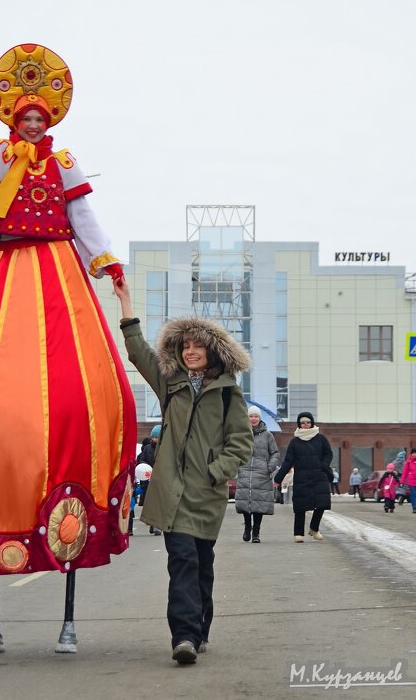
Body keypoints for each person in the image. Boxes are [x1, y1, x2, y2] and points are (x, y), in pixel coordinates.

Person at [0, 44, 137, 580]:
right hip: (13, 262)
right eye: (23, 118)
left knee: (79, 370)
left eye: (37, 119)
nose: (30, 125)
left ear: (47, 122)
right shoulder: (0, 155)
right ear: (14, 119)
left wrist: (106, 260)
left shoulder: (63, 164)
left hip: (58, 265)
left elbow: (82, 215)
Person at [114, 278, 253, 665]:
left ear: (212, 352)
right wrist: (126, 302)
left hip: (205, 495)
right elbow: (139, 352)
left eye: (198, 346)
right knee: (183, 563)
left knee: (202, 565)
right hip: (171, 492)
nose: (191, 352)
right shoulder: (170, 383)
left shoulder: (228, 393)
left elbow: (241, 443)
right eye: (185, 346)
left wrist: (216, 471)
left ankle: (200, 627)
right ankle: (185, 637)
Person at [274, 412, 333, 543]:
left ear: (312, 423)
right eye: (302, 423)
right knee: (300, 506)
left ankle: (314, 528)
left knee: (322, 503)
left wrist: (323, 465)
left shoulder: (321, 438)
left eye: (308, 422)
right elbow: (288, 461)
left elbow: (328, 454)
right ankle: (298, 533)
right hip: (302, 477)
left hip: (319, 476)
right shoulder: (295, 442)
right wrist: (278, 479)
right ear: (299, 425)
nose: (306, 425)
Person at [234, 406, 279, 543]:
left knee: (259, 503)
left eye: (256, 416)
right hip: (245, 471)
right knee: (246, 502)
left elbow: (275, 453)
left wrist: (269, 467)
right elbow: (234, 450)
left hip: (262, 473)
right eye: (251, 416)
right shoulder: (241, 433)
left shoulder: (268, 435)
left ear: (260, 418)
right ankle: (247, 528)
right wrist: (237, 464)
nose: (253, 419)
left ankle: (256, 532)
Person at [139, 425, 162, 534]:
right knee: (151, 504)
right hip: (148, 480)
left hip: (161, 480)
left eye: (156, 437)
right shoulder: (147, 448)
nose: (154, 439)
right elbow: (142, 460)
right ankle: (153, 524)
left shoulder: (164, 448)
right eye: (153, 437)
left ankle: (157, 525)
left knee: (159, 504)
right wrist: (145, 467)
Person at [400, 448, 416, 513]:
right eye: (413, 453)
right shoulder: (409, 462)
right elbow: (405, 472)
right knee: (413, 494)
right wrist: (402, 481)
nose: (415, 454)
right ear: (411, 454)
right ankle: (414, 507)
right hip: (411, 481)